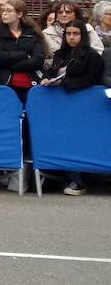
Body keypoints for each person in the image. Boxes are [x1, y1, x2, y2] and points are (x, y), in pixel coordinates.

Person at [49, 21, 101, 196]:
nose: (71, 37)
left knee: (77, 141)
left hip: (81, 104)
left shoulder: (91, 55)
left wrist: (65, 83)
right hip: (59, 104)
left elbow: (92, 79)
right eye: (68, 33)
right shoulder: (59, 54)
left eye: (75, 34)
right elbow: (52, 72)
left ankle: (78, 179)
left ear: (83, 35)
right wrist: (47, 81)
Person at [0, 0, 46, 100]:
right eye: (3, 11)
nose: (4, 14)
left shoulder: (32, 33)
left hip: (31, 81)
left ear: (19, 14)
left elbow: (38, 59)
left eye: (9, 11)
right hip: (4, 82)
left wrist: (14, 65)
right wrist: (23, 54)